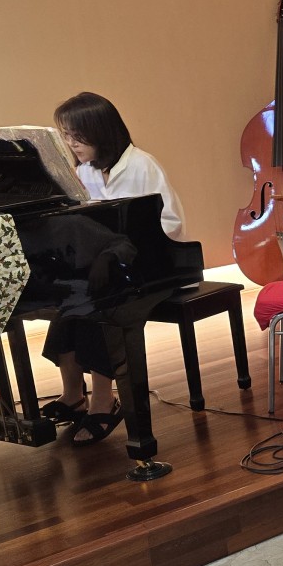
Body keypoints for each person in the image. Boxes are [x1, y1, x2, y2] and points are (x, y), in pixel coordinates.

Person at [40, 91, 189, 444]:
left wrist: (115, 253)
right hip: (108, 270)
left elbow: (170, 223)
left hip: (153, 269)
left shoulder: (142, 165)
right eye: (66, 135)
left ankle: (104, 401)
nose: (71, 143)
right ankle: (73, 395)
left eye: (77, 136)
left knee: (99, 306)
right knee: (68, 302)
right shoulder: (85, 172)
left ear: (101, 131)